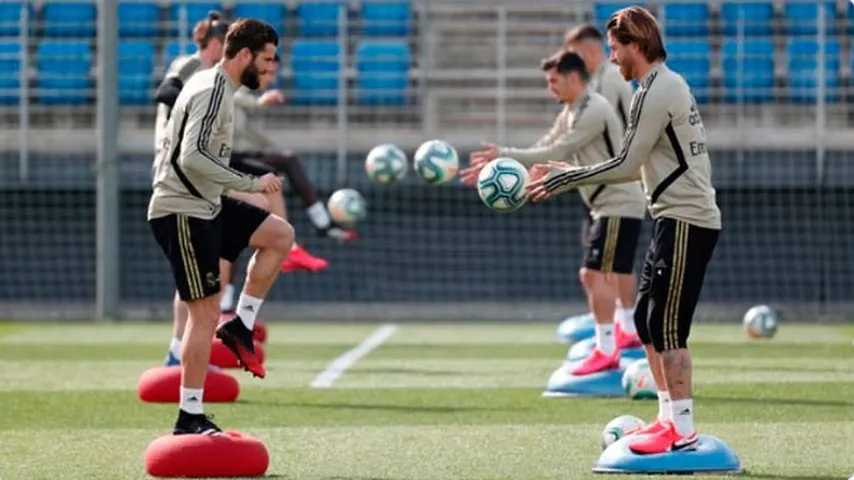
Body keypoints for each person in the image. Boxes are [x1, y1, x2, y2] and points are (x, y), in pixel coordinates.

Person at [528, 6, 721, 454]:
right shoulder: (654, 87)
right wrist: (571, 168)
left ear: (637, 45)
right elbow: (640, 166)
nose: (612, 58)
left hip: (688, 219)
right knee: (645, 321)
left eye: (615, 49)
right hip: (669, 216)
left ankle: (684, 431)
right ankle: (666, 419)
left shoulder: (657, 90)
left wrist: (565, 176)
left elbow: (627, 163)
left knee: (667, 328)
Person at [461, 50, 645, 375]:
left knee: (593, 274)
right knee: (605, 273)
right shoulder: (571, 110)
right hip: (605, 204)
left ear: (574, 78)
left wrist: (504, 154)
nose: (550, 89)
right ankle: (619, 335)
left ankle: (608, 349)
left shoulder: (594, 108)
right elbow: (545, 144)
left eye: (553, 81)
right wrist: (505, 165)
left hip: (619, 201)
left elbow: (557, 151)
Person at [148, 19, 290, 435]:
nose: (269, 70)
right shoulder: (212, 90)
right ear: (243, 55)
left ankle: (242, 324)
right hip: (181, 211)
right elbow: (191, 158)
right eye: (265, 61)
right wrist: (249, 184)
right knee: (204, 313)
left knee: (279, 235)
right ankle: (188, 415)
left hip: (205, 204)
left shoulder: (221, 88)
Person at [564, 24, 639, 337]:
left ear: (590, 50)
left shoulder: (608, 80)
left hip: (614, 183)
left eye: (575, 52)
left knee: (608, 266)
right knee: (606, 263)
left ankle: (625, 325)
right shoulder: (595, 82)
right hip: (597, 183)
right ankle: (615, 321)